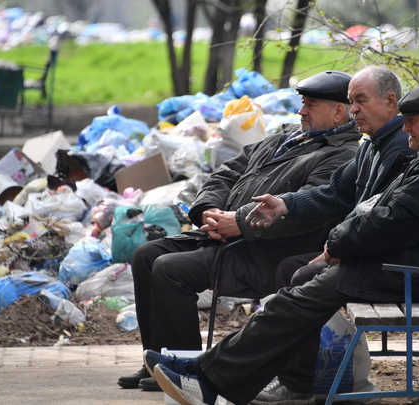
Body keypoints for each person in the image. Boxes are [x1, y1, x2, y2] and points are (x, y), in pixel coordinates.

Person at [146, 81, 419, 405]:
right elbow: (361, 204)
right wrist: (290, 207)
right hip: (395, 265)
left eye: (412, 121)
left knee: (288, 303)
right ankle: (267, 382)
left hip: (406, 274)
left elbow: (390, 222)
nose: (406, 127)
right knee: (296, 285)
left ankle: (208, 377)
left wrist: (337, 244)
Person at [117, 70, 362, 391]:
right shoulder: (285, 136)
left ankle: (185, 367)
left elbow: (305, 210)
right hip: (227, 234)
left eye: (310, 105)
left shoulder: (341, 155)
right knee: (146, 255)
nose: (301, 111)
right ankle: (160, 361)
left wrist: (239, 223)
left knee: (169, 269)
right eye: (302, 103)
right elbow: (227, 171)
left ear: (338, 111)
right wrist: (209, 211)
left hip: (269, 252)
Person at [271, 65, 414, 289]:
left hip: (385, 263)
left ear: (390, 100)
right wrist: (283, 203)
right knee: (289, 268)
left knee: (299, 274)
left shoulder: (401, 148)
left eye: (361, 100)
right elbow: (336, 192)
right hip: (358, 247)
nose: (353, 110)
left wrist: (338, 248)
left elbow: (378, 220)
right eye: (351, 101)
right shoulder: (372, 142)